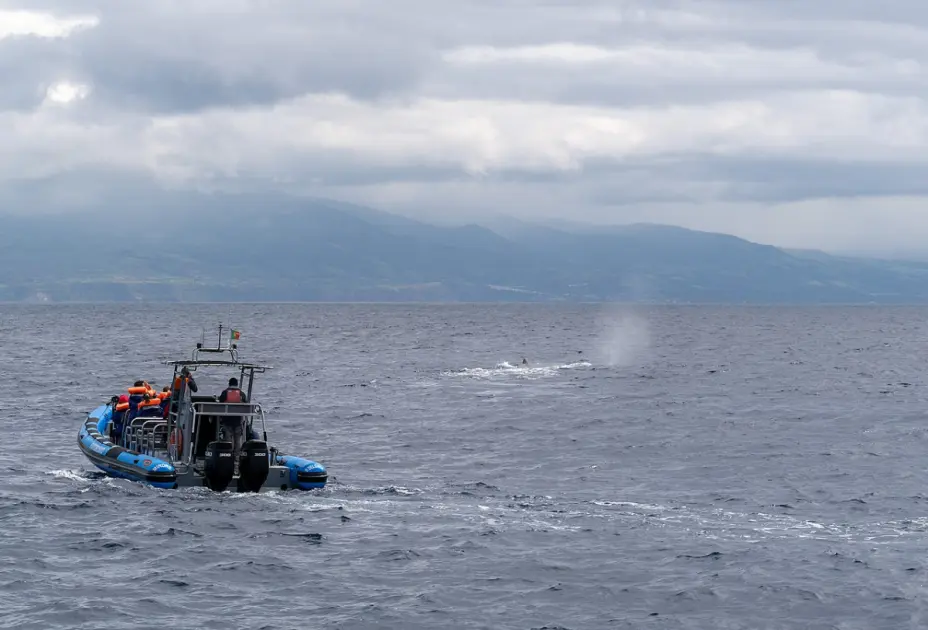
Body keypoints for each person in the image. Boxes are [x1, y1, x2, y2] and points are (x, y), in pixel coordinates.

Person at [219, 377, 248, 470]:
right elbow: (246, 403)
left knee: (228, 441)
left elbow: (220, 402)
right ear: (237, 384)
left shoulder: (224, 393)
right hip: (238, 422)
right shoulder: (241, 394)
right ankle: (237, 460)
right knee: (237, 442)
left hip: (227, 422)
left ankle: (227, 459)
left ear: (229, 383)